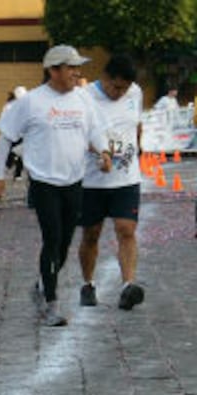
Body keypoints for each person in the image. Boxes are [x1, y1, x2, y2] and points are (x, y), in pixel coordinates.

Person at [0, 45, 112, 327]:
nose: (76, 73)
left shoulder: (83, 99)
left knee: (65, 243)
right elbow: (5, 138)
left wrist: (104, 152)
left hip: (74, 181)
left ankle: (41, 286)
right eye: (71, 68)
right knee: (52, 238)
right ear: (53, 70)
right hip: (44, 182)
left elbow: (95, 130)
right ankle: (50, 303)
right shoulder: (32, 102)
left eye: (77, 68)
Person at [77, 54, 145, 311]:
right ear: (104, 77)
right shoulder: (84, 97)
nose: (120, 93)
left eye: (124, 89)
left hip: (126, 178)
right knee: (91, 234)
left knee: (126, 229)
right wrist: (99, 153)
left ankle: (128, 285)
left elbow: (136, 124)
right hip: (92, 180)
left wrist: (138, 147)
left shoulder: (135, 93)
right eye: (115, 87)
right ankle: (88, 283)